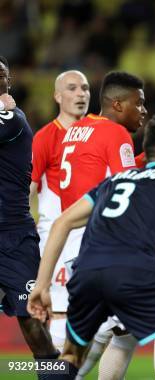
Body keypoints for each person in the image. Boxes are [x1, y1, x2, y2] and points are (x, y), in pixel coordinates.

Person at [28, 116, 155, 380]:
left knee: (70, 359)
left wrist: (42, 285)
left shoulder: (113, 182)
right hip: (133, 272)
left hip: (86, 274)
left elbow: (61, 223)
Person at [55, 70, 146, 379]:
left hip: (74, 239)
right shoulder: (116, 134)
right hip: (98, 244)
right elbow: (127, 187)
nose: (143, 111)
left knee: (123, 329)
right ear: (117, 104)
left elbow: (98, 176)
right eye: (139, 103)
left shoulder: (76, 129)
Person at [0, 55, 60, 377]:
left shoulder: (12, 115)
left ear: (8, 81)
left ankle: (55, 373)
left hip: (12, 236)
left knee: (32, 323)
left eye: (2, 74)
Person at [30, 70, 90, 352]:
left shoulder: (97, 134)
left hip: (90, 235)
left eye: (85, 88)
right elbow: (28, 186)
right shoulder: (44, 137)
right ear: (57, 96)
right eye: (72, 88)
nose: (80, 94)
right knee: (60, 313)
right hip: (58, 238)